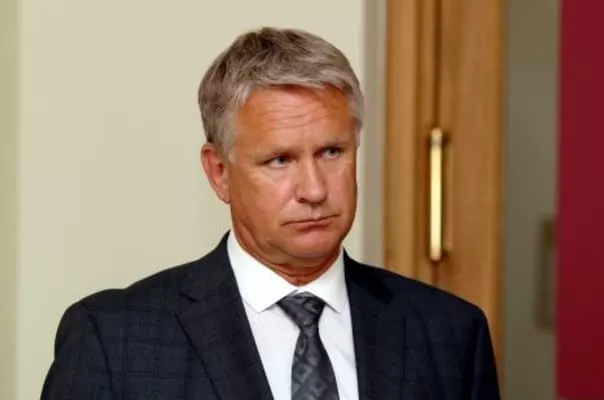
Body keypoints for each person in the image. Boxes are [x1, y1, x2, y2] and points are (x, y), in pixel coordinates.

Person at [42, 27, 500, 400]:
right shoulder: (115, 339)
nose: (315, 190)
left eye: (332, 152)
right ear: (219, 172)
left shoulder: (448, 334)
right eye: (280, 160)